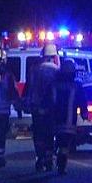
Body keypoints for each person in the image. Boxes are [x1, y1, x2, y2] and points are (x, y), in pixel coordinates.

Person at [49, 59, 89, 174]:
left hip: (53, 120)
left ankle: (53, 159)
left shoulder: (54, 85)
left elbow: (47, 100)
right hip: (69, 122)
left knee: (57, 142)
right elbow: (82, 100)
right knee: (65, 145)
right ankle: (61, 165)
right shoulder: (77, 86)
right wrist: (84, 113)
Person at [25, 43, 60, 171]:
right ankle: (49, 160)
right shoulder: (57, 71)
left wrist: (27, 104)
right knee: (50, 135)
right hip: (51, 108)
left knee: (38, 135)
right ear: (53, 56)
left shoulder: (35, 70)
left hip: (36, 108)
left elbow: (29, 89)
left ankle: (39, 158)